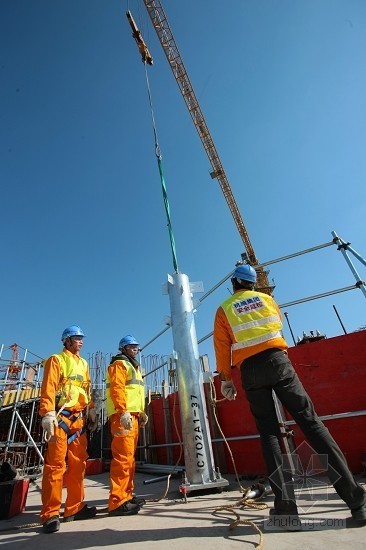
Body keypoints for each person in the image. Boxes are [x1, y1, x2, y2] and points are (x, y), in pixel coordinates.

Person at [213, 264, 366, 529]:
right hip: (278, 360)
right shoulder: (268, 300)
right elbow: (276, 329)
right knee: (311, 423)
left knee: (269, 433)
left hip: (250, 370)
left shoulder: (224, 309)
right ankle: (357, 503)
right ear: (252, 283)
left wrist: (226, 380)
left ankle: (286, 510)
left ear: (234, 284)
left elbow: (222, 346)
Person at [39, 325, 98, 533]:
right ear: (67, 341)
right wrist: (47, 413)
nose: (81, 341)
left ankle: (74, 507)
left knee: (78, 465)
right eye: (76, 338)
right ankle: (50, 513)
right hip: (60, 419)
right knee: (55, 466)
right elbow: (48, 387)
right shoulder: (57, 360)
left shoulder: (83, 363)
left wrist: (91, 410)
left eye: (82, 338)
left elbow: (87, 389)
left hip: (78, 421)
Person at [106, 334, 148, 516]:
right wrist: (122, 410)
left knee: (129, 459)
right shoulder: (120, 364)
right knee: (122, 459)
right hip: (123, 416)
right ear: (123, 349)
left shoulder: (134, 366)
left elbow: (136, 392)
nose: (135, 349)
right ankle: (117, 502)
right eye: (131, 346)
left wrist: (142, 411)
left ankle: (126, 495)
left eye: (136, 346)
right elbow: (117, 388)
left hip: (133, 415)